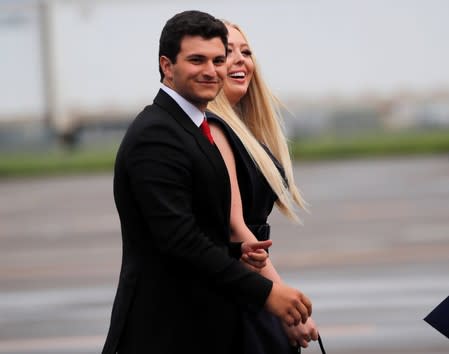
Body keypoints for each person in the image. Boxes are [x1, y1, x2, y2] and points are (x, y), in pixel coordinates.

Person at [101, 10, 312, 354]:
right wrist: (268, 293)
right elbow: (179, 241)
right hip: (164, 331)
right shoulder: (157, 133)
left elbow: (203, 227)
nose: (212, 70)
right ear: (167, 66)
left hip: (203, 325)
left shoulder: (194, 129)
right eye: (197, 60)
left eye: (218, 59)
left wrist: (237, 253)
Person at [208, 20, 320, 352]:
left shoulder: (242, 129)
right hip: (237, 296)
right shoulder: (214, 130)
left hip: (253, 283)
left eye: (246, 51)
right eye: (227, 53)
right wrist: (285, 304)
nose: (240, 60)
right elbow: (235, 228)